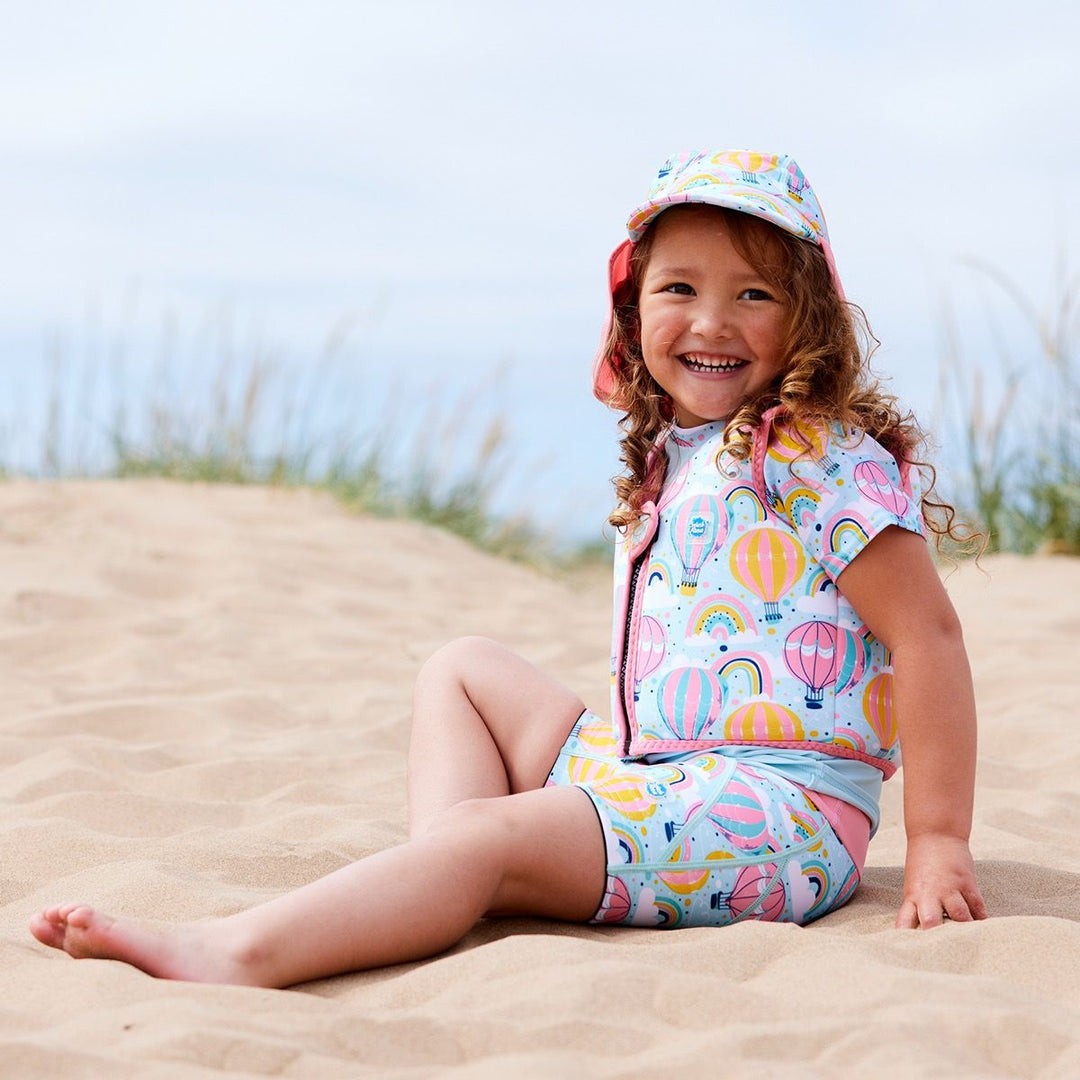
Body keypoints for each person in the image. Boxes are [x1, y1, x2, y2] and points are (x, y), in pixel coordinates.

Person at [30, 149, 987, 987]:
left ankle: (241, 948)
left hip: (777, 813)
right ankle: (440, 876)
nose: (712, 321)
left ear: (806, 316)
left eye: (754, 293)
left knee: (487, 834)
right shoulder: (679, 454)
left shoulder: (810, 450)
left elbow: (925, 631)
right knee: (462, 667)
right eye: (678, 289)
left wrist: (938, 841)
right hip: (653, 773)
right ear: (632, 307)